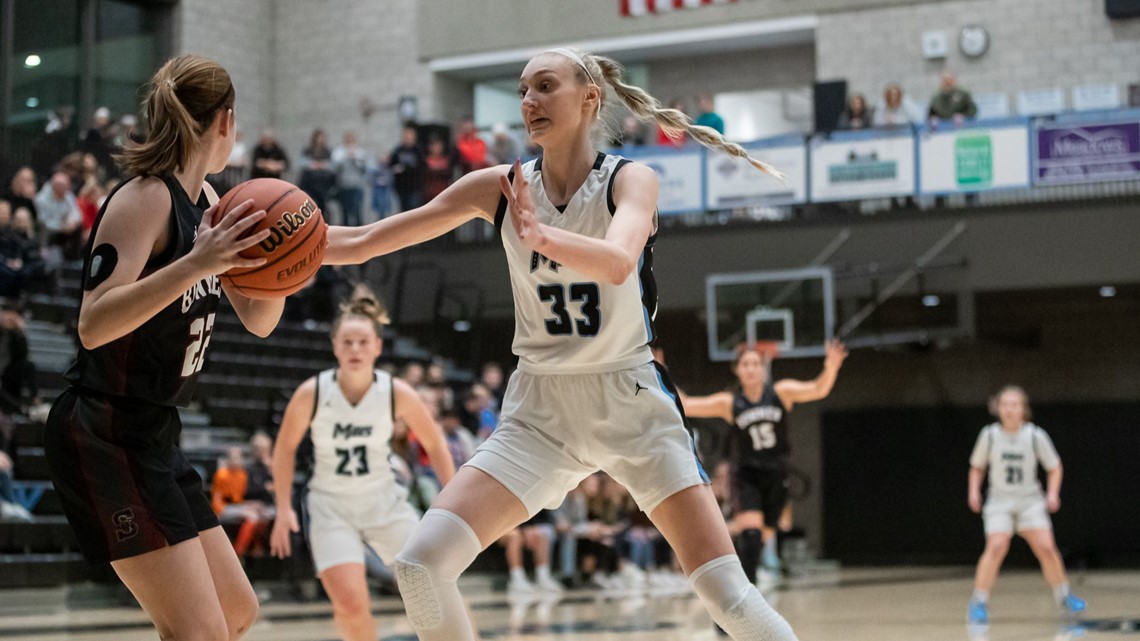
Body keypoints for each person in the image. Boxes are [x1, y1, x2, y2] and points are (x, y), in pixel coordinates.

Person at [324, 46, 790, 641]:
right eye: (522, 90)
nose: (528, 102)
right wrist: (258, 243)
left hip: (630, 398)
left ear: (589, 97)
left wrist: (540, 233)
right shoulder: (499, 186)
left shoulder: (631, 178)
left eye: (545, 86)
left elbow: (619, 262)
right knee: (421, 566)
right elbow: (361, 240)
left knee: (729, 596)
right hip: (539, 411)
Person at [42, 55, 280, 641]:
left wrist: (282, 265)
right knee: (199, 632)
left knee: (235, 613)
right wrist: (196, 263)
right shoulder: (146, 199)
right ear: (226, 122)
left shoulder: (213, 203)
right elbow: (94, 324)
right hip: (104, 430)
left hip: (154, 433)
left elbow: (259, 321)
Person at [269, 295, 456, 641]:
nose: (355, 349)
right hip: (330, 507)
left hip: (384, 501)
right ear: (335, 347)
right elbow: (285, 448)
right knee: (351, 605)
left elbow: (435, 444)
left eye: (363, 342)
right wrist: (282, 509)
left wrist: (454, 505)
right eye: (347, 342)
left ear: (378, 347)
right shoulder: (312, 392)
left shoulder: (395, 392)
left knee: (433, 589)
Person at [679, 340, 847, 584]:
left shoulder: (781, 393)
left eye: (755, 364)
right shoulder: (730, 402)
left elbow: (818, 389)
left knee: (757, 544)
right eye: (745, 364)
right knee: (751, 536)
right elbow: (687, 405)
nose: (750, 369)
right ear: (737, 369)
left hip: (777, 475)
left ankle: (733, 584)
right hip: (746, 475)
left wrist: (831, 367)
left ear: (763, 369)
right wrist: (661, 375)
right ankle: (742, 604)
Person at [966, 386, 1086, 624]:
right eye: (1005, 404)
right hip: (1000, 501)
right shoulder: (989, 435)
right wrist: (973, 491)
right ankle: (978, 601)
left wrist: (1052, 494)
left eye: (1014, 404)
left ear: (1024, 409)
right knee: (996, 546)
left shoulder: (1035, 435)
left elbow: (1054, 466)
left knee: (1047, 548)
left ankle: (1064, 595)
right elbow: (977, 467)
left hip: (1029, 501)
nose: (1009, 409)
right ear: (997, 408)